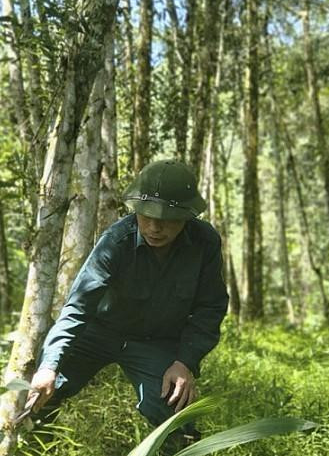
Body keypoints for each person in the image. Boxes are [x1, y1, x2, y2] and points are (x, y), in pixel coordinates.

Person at [26, 160, 229, 447]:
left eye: (167, 219)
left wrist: (185, 362)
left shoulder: (204, 242)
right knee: (39, 393)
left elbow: (211, 306)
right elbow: (78, 307)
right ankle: (32, 447)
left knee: (177, 419)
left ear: (187, 216)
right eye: (146, 216)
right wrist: (49, 366)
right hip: (98, 332)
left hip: (155, 341)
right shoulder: (116, 242)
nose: (154, 227)